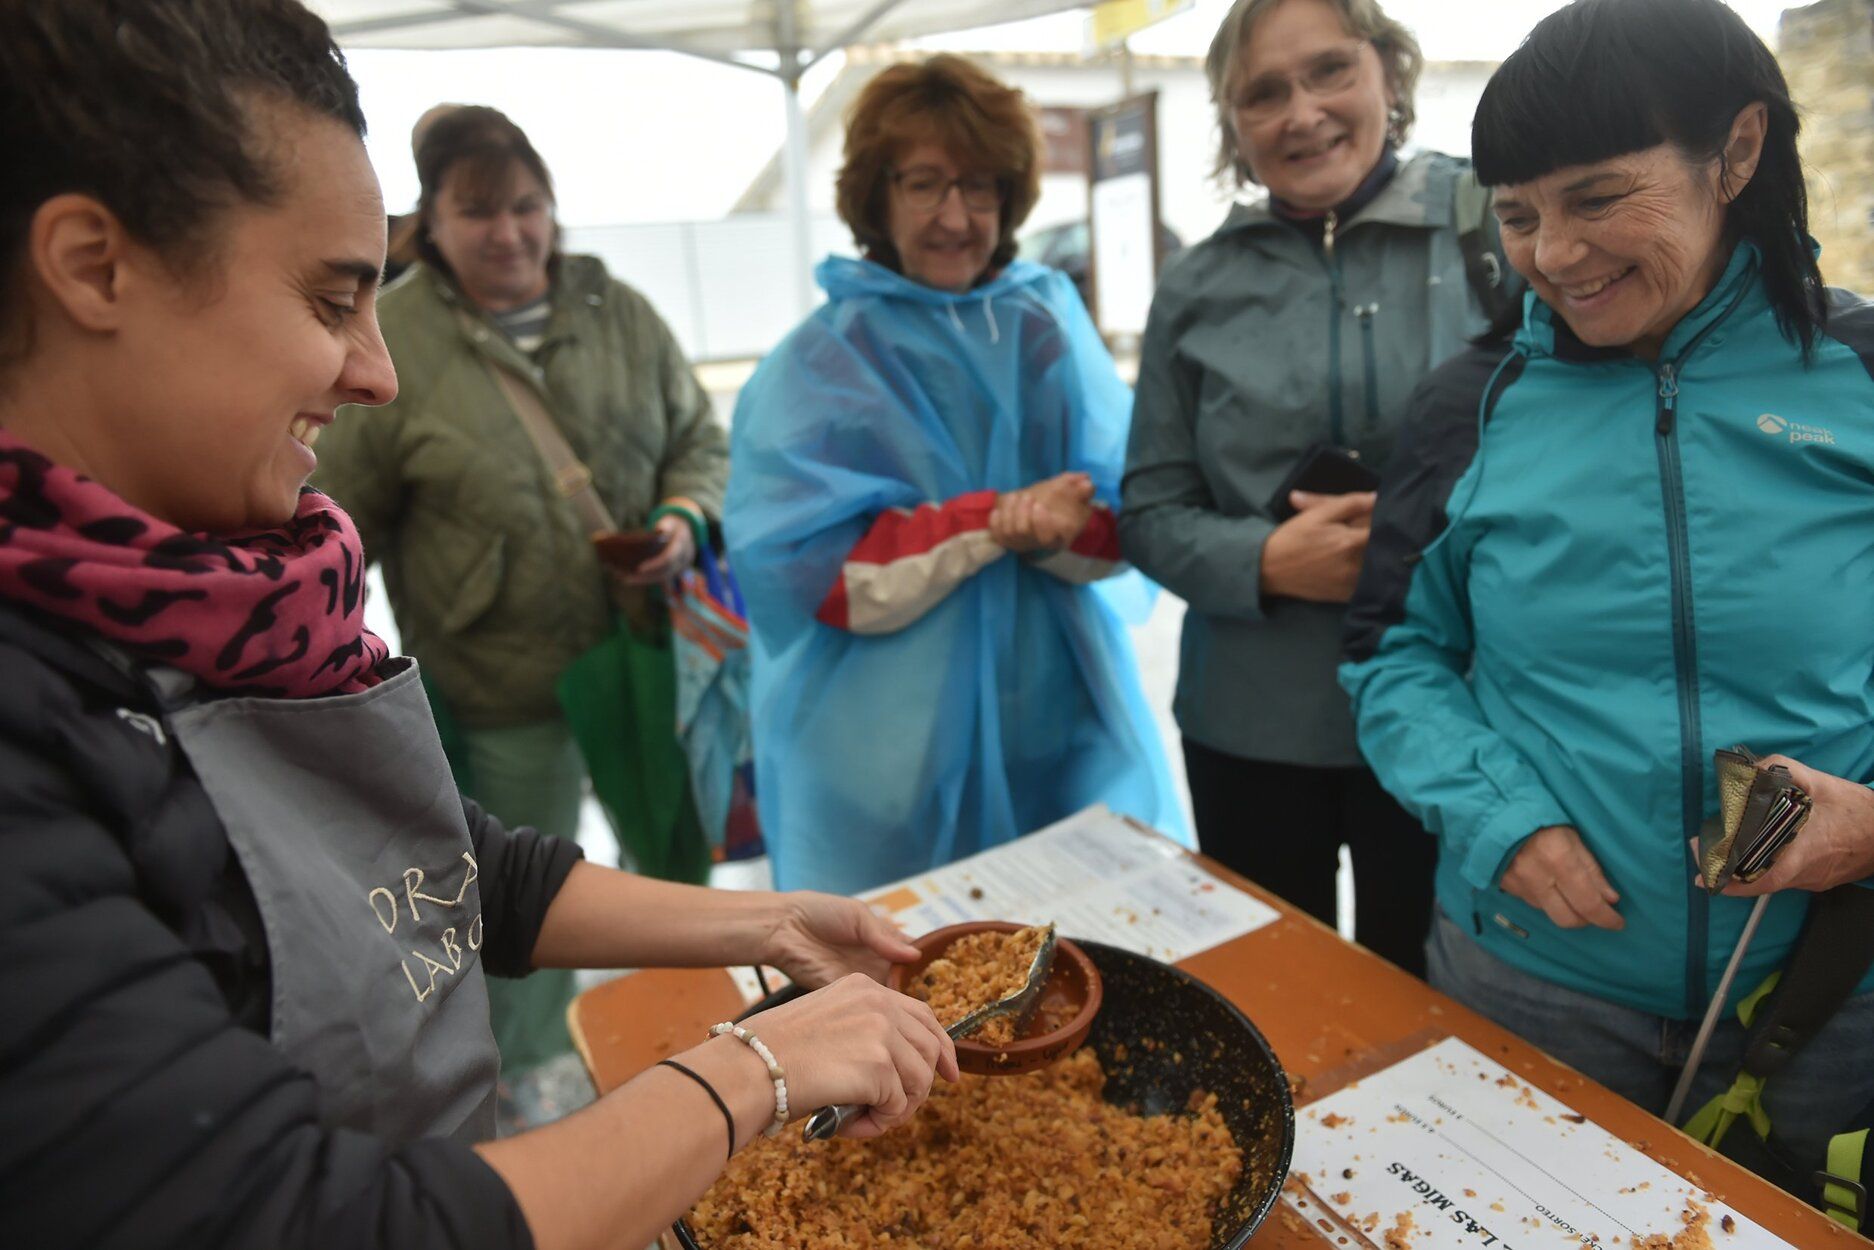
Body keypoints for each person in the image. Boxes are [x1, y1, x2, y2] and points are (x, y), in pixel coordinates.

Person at [0, 4, 954, 1247]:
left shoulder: (221, 598)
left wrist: (768, 922)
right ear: (92, 264)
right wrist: (754, 1072)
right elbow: (303, 1217)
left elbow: (440, 868)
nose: (374, 371)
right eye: (332, 299)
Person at [1340, 0, 1874, 1184]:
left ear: (1734, 155)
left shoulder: (1858, 376)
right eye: (1518, 215)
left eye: (1596, 198)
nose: (1553, 255)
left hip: (1831, 993)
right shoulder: (1467, 403)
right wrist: (1497, 817)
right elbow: (1391, 655)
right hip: (1536, 981)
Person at [313, 105, 729, 1083]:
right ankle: (535, 1082)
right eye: (477, 210)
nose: (508, 231)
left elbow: (697, 440)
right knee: (518, 907)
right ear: (431, 223)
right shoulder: (395, 335)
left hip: (634, 661)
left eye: (527, 205)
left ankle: (693, 1057)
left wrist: (681, 516)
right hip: (500, 687)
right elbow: (337, 517)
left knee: (667, 872)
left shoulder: (615, 309)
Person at [724, 54, 1183, 895]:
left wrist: (1052, 523)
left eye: (979, 187)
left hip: (1051, 725)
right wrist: (1000, 519)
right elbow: (814, 576)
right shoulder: (823, 364)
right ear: (878, 194)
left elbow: (1128, 520)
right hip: (887, 761)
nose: (955, 216)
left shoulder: (1043, 328)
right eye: (925, 184)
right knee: (902, 974)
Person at [1120, 0, 1509, 977]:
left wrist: (1426, 538)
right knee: (1268, 1005)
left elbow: (1577, 449)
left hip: (1459, 714)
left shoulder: (1497, 228)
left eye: (1329, 71)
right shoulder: (1195, 285)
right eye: (1263, 93)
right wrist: (1265, 560)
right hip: (1249, 728)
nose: (1301, 113)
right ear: (1233, 126)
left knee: (1437, 1015)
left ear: (1388, 72)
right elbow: (1148, 510)